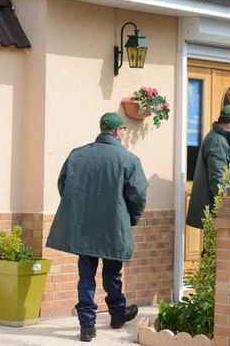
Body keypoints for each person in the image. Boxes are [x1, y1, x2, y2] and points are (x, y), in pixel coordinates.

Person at [46, 113, 148, 342]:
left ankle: (87, 325)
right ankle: (118, 313)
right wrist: (130, 217)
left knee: (86, 275)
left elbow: (63, 184)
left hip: (85, 225)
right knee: (113, 272)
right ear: (116, 131)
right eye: (123, 129)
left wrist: (79, 208)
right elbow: (138, 195)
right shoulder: (128, 159)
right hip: (113, 225)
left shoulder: (77, 155)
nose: (123, 133)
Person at [186, 105, 230, 229]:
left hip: (217, 207)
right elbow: (217, 177)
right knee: (215, 247)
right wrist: (225, 206)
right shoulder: (217, 141)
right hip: (216, 208)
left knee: (215, 247)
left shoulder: (221, 139)